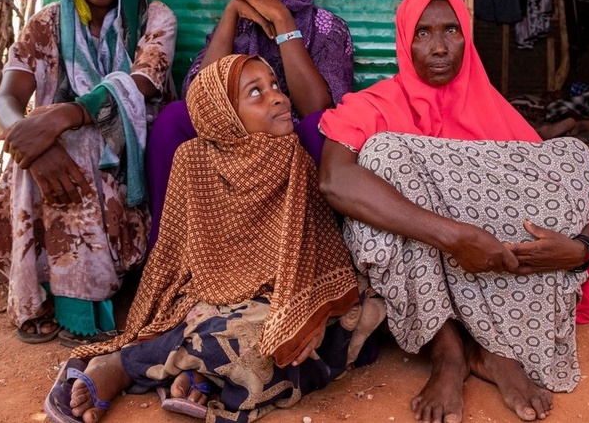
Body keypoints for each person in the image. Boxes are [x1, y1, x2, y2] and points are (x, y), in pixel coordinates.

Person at [317, 0, 589, 423]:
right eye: (423, 33)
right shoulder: (375, 105)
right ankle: (449, 351)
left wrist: (579, 251)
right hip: (434, 255)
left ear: (467, 37)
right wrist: (455, 237)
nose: (438, 47)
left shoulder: (493, 109)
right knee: (383, 160)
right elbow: (335, 179)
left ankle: (492, 349)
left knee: (570, 154)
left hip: (490, 263)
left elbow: (568, 190)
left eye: (451, 30)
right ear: (403, 40)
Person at [42, 54, 382, 423]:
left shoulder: (293, 156)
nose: (278, 97)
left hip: (279, 291)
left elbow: (316, 245)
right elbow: (175, 253)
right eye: (256, 92)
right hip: (206, 290)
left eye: (275, 87)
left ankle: (193, 371)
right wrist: (205, 300)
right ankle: (123, 365)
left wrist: (301, 314)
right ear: (222, 112)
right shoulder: (192, 160)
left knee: (313, 332)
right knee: (218, 330)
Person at [0, 0, 177, 346]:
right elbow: (5, 101)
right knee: (40, 136)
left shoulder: (153, 18)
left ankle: (85, 306)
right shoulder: (48, 22)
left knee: (81, 136)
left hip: (128, 155)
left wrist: (58, 119)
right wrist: (34, 146)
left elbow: (143, 82)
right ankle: (39, 295)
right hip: (53, 152)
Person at [145, 0, 354, 246]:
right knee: (173, 117)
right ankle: (165, 249)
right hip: (233, 142)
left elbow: (320, 109)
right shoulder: (237, 24)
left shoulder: (327, 27)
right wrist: (230, 14)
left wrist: (285, 24)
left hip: (291, 139)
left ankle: (320, 251)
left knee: (319, 128)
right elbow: (199, 98)